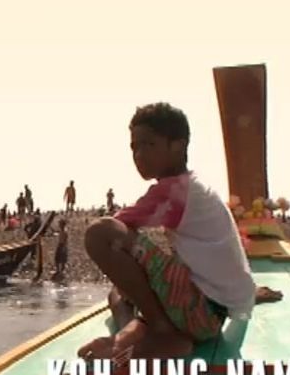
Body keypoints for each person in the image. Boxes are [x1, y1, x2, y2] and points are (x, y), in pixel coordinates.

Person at [77, 102, 259, 360]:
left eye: (148, 144)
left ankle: (162, 333)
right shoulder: (191, 187)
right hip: (212, 315)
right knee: (118, 293)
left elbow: (114, 229)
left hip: (201, 313)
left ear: (178, 146)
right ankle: (135, 329)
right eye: (134, 147)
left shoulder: (176, 192)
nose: (138, 154)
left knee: (99, 233)